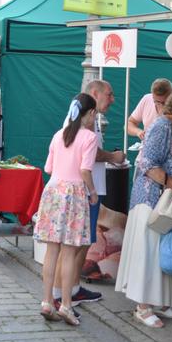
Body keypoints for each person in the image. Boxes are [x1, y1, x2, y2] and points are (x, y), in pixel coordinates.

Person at [115, 90, 172, 328]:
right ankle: (142, 306)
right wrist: (170, 182)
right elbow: (146, 161)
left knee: (159, 252)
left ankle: (157, 302)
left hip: (159, 200)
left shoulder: (169, 127)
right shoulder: (163, 126)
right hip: (151, 200)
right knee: (150, 252)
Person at [52, 80, 125, 308]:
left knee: (81, 244)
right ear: (95, 94)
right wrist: (113, 157)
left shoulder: (82, 120)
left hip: (83, 189)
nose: (112, 99)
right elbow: (89, 157)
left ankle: (71, 290)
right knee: (73, 245)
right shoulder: (85, 123)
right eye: (109, 94)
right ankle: (59, 295)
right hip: (83, 190)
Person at [35, 93, 99, 326]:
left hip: (53, 191)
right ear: (91, 113)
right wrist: (92, 192)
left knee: (52, 250)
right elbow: (85, 170)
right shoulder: (89, 138)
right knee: (70, 251)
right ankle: (66, 306)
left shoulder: (57, 135)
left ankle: (46, 301)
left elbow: (49, 167)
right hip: (74, 194)